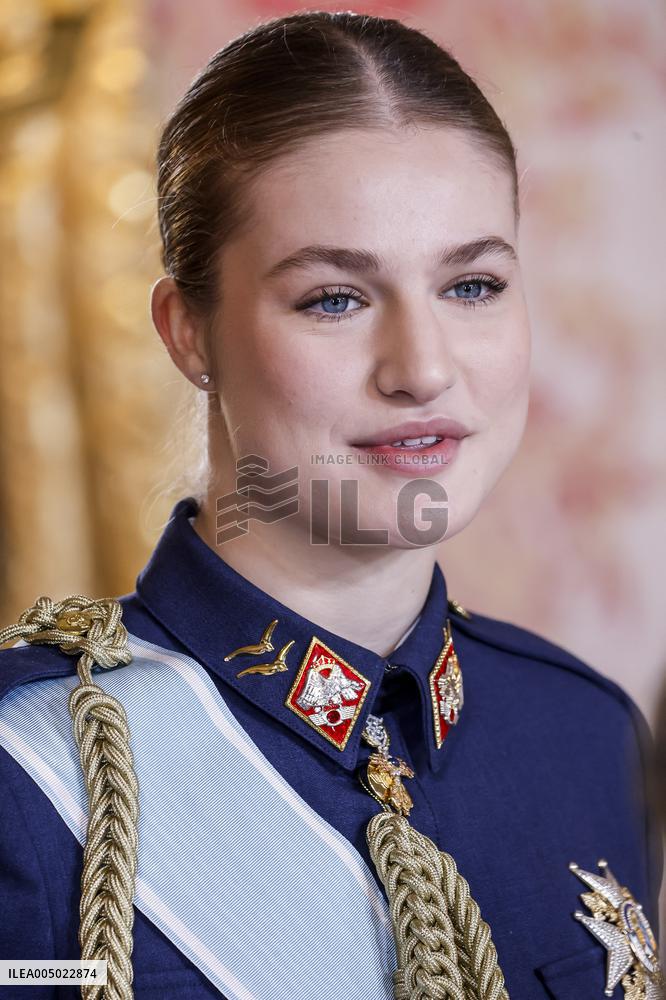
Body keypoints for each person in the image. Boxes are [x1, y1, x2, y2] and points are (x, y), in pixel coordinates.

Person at [0, 11, 662, 1000]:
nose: (424, 367)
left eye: (472, 284)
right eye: (334, 299)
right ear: (189, 331)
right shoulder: (30, 774)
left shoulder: (581, 731)